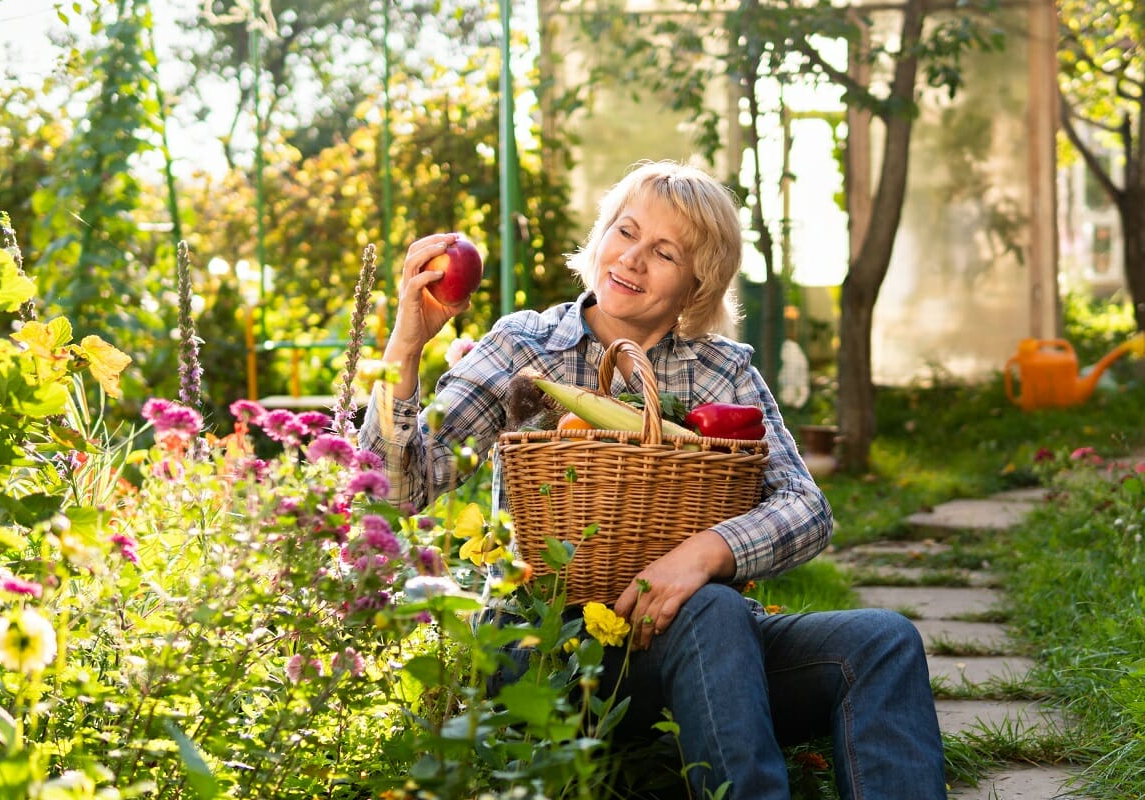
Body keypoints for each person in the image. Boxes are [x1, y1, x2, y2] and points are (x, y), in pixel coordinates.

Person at [358, 160, 947, 800]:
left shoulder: (720, 370)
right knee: (716, 604)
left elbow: (807, 508)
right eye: (625, 232)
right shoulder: (525, 348)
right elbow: (397, 490)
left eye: (664, 252)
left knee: (881, 640)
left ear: (699, 284)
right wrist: (406, 345)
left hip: (713, 652)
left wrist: (701, 555)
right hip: (558, 653)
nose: (632, 260)